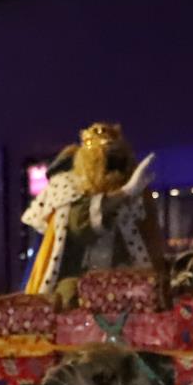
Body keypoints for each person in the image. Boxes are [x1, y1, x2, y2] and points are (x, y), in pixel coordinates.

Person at [19, 123, 161, 297]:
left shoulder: (134, 191)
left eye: (118, 158)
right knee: (69, 294)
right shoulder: (67, 186)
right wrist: (123, 193)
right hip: (75, 283)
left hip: (119, 283)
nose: (113, 166)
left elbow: (148, 240)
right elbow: (80, 225)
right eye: (108, 158)